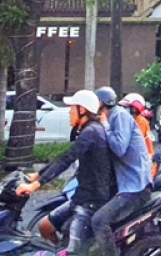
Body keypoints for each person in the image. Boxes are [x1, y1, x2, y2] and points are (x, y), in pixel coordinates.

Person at [20, 90, 115, 256]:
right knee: (45, 226)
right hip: (80, 197)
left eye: (72, 108)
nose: (69, 112)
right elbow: (64, 157)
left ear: (82, 110)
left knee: (73, 252)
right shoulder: (88, 130)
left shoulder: (92, 132)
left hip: (92, 202)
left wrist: (35, 185)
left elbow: (67, 160)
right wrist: (38, 175)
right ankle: (59, 249)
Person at [93, 86, 155, 256]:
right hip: (127, 184)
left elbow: (119, 148)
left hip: (135, 188)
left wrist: (104, 125)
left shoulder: (118, 116)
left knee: (99, 221)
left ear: (101, 103)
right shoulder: (111, 117)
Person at [121, 94, 157, 172]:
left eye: (126, 107)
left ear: (134, 109)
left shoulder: (141, 122)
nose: (123, 109)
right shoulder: (131, 121)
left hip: (145, 164)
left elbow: (131, 144)